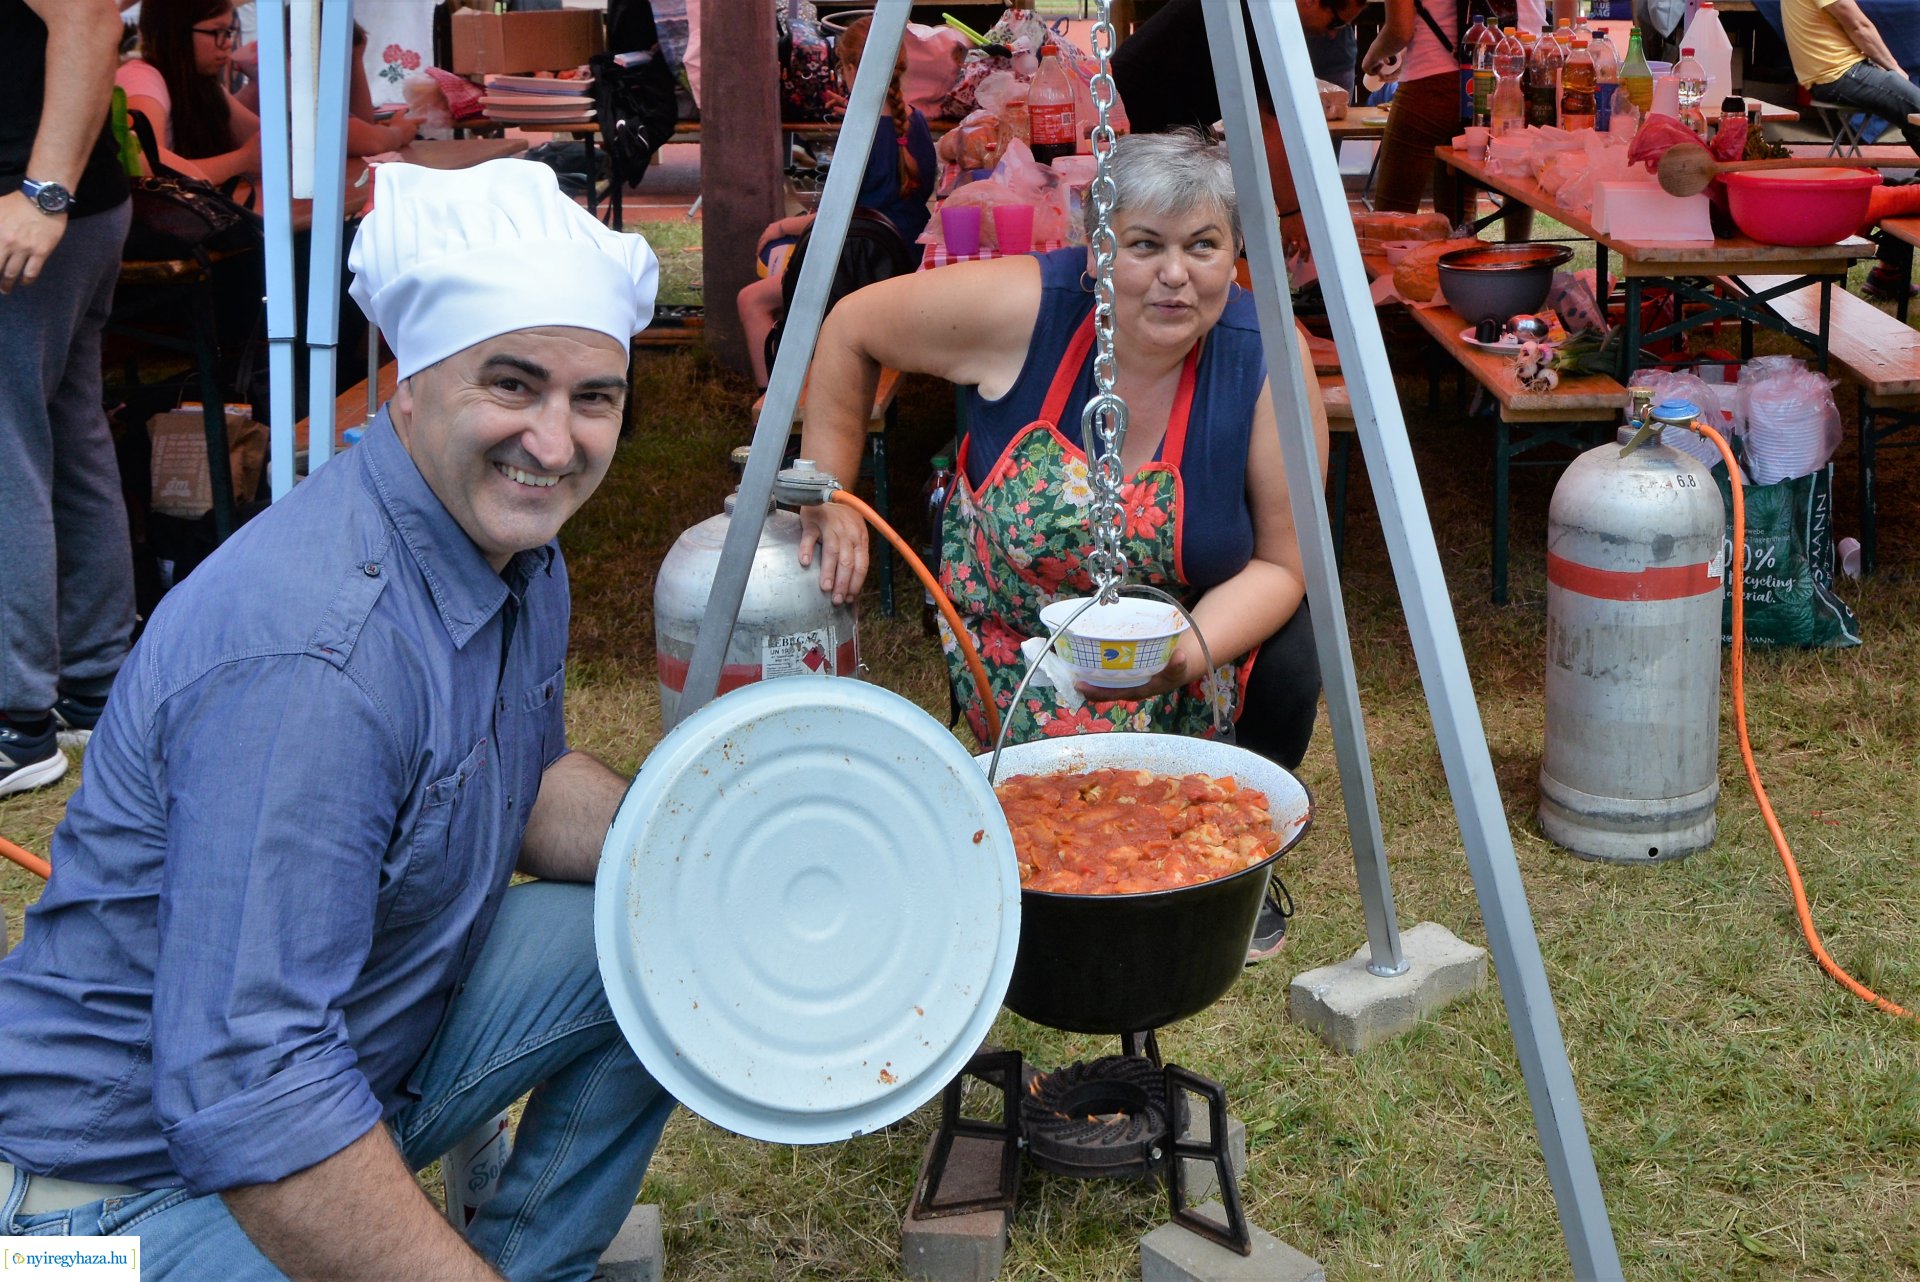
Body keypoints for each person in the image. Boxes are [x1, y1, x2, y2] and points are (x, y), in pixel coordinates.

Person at [0, 158, 673, 1282]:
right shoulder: (313, 659)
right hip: (97, 1214)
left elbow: (518, 779)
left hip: (332, 1078)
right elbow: (254, 1088)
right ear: (409, 386)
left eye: (592, 397)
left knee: (663, 926)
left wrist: (706, 853)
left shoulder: (510, 551)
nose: (555, 443)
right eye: (513, 385)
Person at [797, 131, 1325, 959]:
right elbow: (850, 327)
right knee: (1045, 832)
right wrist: (831, 491)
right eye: (1143, 246)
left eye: (1202, 246)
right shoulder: (1023, 309)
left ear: (1236, 255)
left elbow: (1283, 563)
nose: (1175, 274)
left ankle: (1224, 855)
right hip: (1018, 635)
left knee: (1299, 647)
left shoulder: (1266, 358)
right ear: (1095, 253)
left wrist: (1181, 658)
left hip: (1179, 632)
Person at [0, 0, 133, 796]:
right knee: (65, 435)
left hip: (27, 209)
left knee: (12, 448)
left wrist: (43, 196)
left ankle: (15, 720)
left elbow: (88, 17)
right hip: (51, 204)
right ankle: (92, 686)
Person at [736, 12, 937, 388]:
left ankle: (776, 404)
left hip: (857, 270)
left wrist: (781, 225)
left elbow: (837, 216)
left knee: (752, 300)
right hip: (902, 259)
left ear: (850, 69)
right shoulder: (915, 123)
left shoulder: (859, 139)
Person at [1110, 0, 1369, 254]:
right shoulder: (1258, 20)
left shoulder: (1255, 12)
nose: (1333, 34)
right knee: (1161, 223)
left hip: (1157, 110)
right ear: (1310, 2)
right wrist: (1292, 213)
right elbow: (1266, 125)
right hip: (1134, 114)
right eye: (1336, 23)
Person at [1780, 0, 1920, 300]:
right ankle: (1889, 249)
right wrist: (1895, 70)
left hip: (1837, 71)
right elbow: (1859, 25)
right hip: (1839, 73)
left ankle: (1890, 268)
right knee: (1918, 110)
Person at [1360, 0, 1544, 228]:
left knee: (1390, 215)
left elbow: (1399, 30)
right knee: (1462, 212)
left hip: (1430, 80)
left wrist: (1371, 58)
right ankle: (1514, 251)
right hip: (1506, 71)